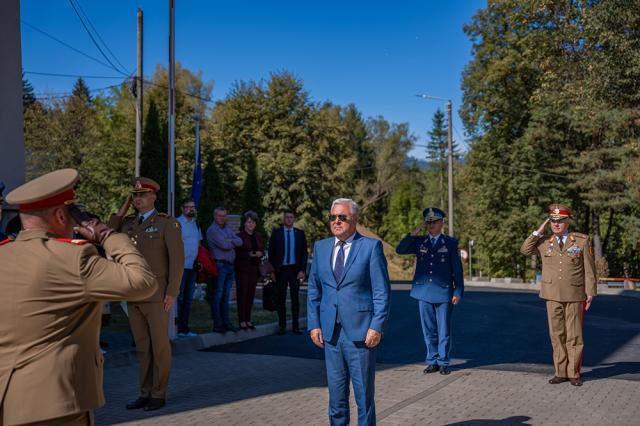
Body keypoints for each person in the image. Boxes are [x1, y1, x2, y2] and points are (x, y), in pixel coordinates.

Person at [0, 168, 156, 425]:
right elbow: (142, 281)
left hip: (8, 405)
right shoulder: (72, 258)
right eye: (73, 215)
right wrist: (106, 234)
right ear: (61, 215)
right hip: (54, 406)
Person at [307, 198, 391, 426]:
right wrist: (314, 323)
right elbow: (314, 289)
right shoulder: (321, 247)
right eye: (333, 217)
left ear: (354, 219)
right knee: (336, 398)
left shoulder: (370, 247)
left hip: (361, 334)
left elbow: (381, 292)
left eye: (342, 217)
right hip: (330, 335)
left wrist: (376, 326)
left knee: (364, 398)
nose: (336, 221)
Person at [108, 177, 184, 411]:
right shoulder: (129, 223)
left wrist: (172, 292)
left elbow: (177, 260)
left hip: (157, 294)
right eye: (135, 195)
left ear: (153, 197)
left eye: (142, 195)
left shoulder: (166, 223)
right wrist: (123, 208)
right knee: (142, 347)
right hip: (134, 294)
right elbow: (109, 231)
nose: (138, 199)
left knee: (159, 346)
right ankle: (144, 392)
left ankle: (158, 393)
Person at [521, 203, 597, 387]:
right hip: (552, 294)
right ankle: (560, 372)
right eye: (553, 221)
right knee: (557, 335)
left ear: (568, 221)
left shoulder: (580, 241)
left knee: (574, 336)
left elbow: (589, 269)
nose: (556, 224)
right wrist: (539, 230)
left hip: (574, 293)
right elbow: (525, 250)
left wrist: (590, 292)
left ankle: (573, 373)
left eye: (560, 221)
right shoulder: (544, 241)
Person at [395, 207, 464, 375]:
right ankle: (432, 360)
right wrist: (415, 231)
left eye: (434, 222)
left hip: (444, 292)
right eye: (428, 222)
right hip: (423, 292)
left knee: (443, 330)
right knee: (428, 329)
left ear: (441, 223)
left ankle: (444, 361)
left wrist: (458, 291)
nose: (431, 225)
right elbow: (400, 249)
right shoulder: (420, 242)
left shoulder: (450, 243)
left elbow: (457, 269)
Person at [268, 209, 308, 335]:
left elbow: (304, 254)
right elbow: (271, 253)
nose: (289, 219)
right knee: (281, 299)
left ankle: (295, 326)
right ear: (283, 219)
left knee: (295, 299)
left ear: (294, 219)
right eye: (287, 217)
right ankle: (282, 326)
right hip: (281, 270)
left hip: (294, 270)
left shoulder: (299, 234)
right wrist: (272, 271)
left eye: (291, 217)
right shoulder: (277, 233)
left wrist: (302, 270)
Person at [206, 207, 242, 333]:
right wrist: (230, 241)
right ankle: (218, 325)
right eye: (219, 216)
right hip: (219, 265)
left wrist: (229, 240)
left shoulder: (226, 229)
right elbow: (225, 245)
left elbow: (240, 241)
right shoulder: (212, 230)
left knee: (226, 297)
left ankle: (226, 323)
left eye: (224, 216)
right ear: (214, 216)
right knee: (218, 295)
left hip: (230, 266)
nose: (222, 218)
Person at [176, 197, 202, 337]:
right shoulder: (177, 223)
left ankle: (185, 328)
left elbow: (198, 243)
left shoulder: (195, 224)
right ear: (182, 208)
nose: (191, 209)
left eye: (193, 206)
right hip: (180, 267)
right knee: (179, 298)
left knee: (188, 298)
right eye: (188, 206)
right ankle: (177, 328)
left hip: (192, 267)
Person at [235, 211, 264, 330]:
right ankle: (241, 320)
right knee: (242, 295)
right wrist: (250, 254)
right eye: (248, 222)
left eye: (253, 222)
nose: (250, 224)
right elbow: (237, 253)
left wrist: (260, 253)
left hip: (254, 269)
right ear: (244, 223)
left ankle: (248, 320)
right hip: (242, 269)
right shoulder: (239, 236)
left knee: (250, 296)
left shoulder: (257, 236)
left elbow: (261, 249)